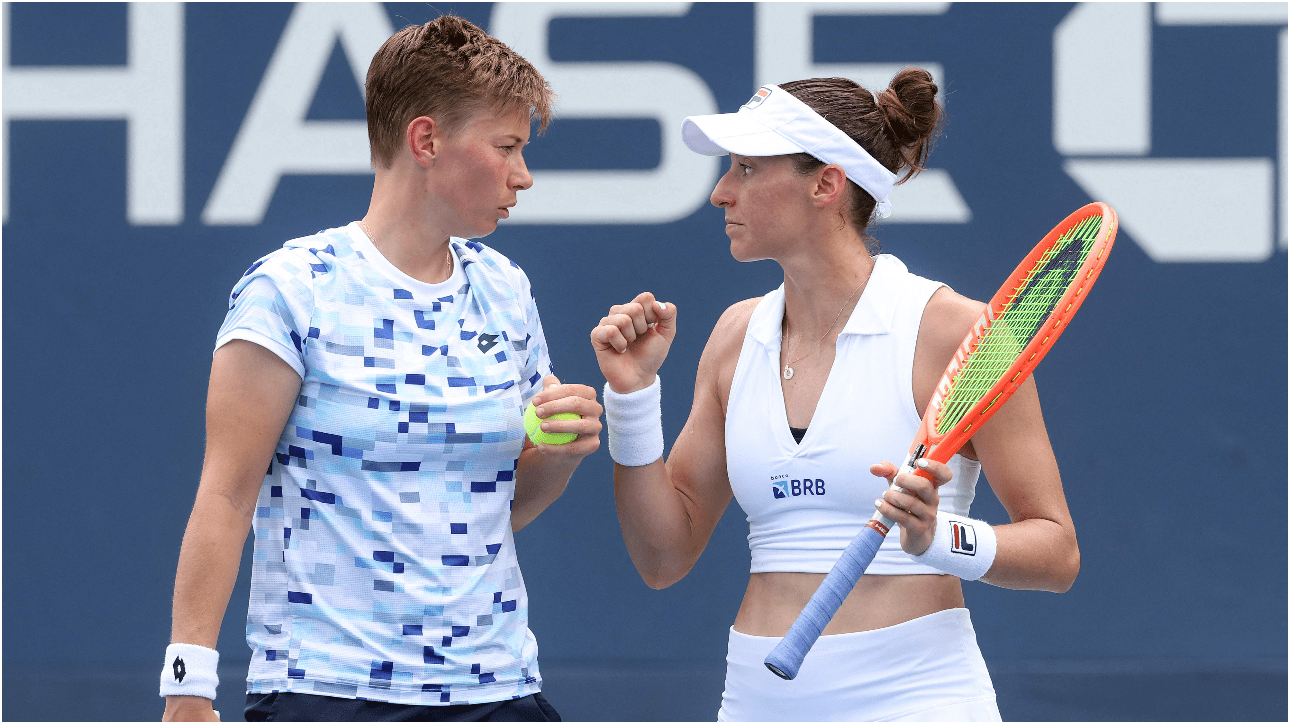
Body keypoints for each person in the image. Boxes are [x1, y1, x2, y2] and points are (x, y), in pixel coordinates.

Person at [591, 71, 1080, 721]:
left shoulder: (953, 331)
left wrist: (939, 537)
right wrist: (633, 398)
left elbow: (1057, 552)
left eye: (744, 169)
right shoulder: (736, 337)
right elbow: (662, 556)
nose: (719, 193)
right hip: (757, 698)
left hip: (918, 698)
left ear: (826, 184)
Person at [161, 16, 602, 722]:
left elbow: (497, 505)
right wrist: (187, 686)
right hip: (324, 691)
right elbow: (225, 496)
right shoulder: (290, 290)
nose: (523, 175)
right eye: (507, 147)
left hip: (498, 689)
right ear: (426, 141)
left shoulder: (506, 291)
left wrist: (561, 448)